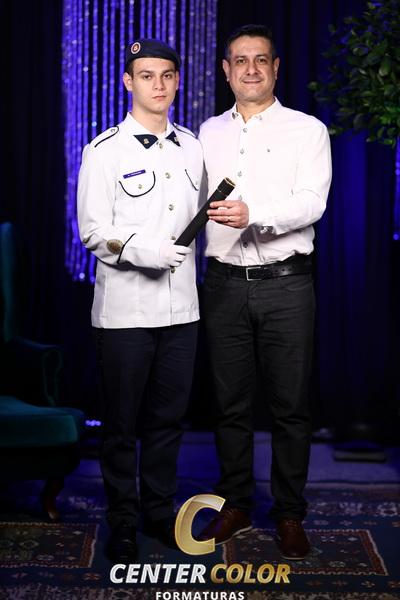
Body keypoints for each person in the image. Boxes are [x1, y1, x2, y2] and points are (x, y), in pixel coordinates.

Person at [197, 24, 332, 560]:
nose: (250, 69)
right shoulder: (206, 133)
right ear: (226, 71)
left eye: (260, 60)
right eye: (240, 60)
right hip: (223, 285)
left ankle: (290, 513)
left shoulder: (307, 130)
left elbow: (312, 202)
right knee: (229, 405)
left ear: (276, 68)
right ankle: (236, 504)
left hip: (287, 285)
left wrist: (256, 215)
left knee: (290, 407)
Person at [77, 39, 203, 563]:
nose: (158, 84)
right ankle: (123, 521)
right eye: (146, 75)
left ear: (177, 81)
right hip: (125, 311)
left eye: (167, 75)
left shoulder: (192, 146)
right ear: (129, 82)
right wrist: (146, 252)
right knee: (121, 425)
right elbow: (92, 232)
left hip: (183, 310)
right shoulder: (104, 150)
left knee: (168, 422)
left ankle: (158, 512)